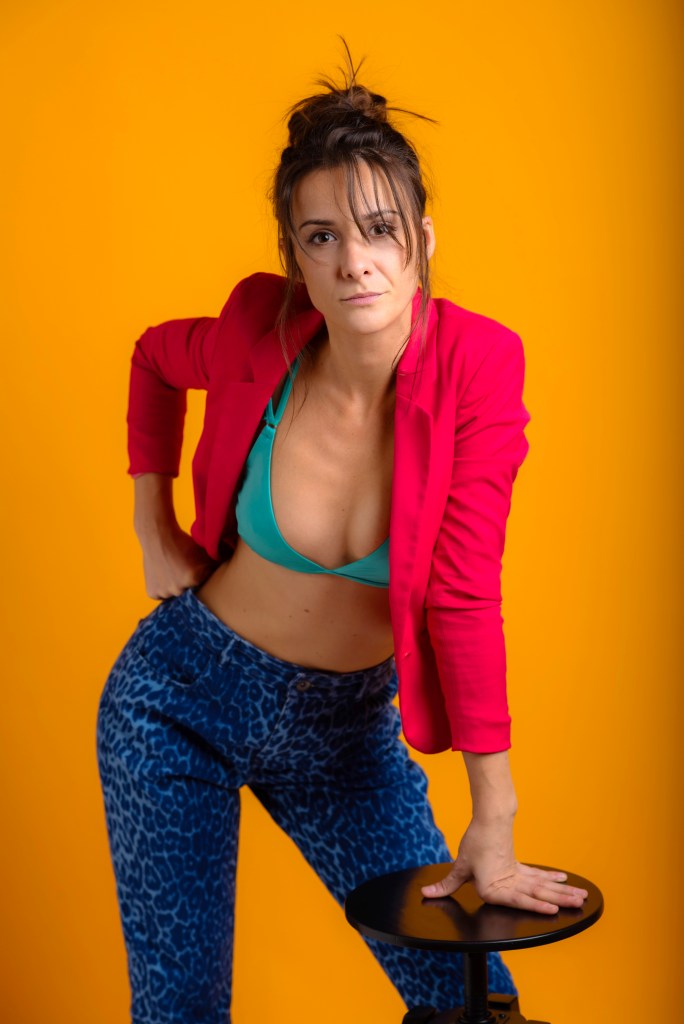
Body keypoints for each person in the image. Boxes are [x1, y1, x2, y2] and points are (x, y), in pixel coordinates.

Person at [96, 45, 588, 1024]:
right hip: (179, 698)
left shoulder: (479, 367)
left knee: (472, 1009)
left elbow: (462, 592)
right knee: (182, 1012)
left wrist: (493, 819)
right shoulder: (258, 330)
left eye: (379, 229)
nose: (353, 261)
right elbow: (154, 358)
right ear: (296, 258)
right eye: (321, 237)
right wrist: (153, 522)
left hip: (346, 735)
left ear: (421, 239)